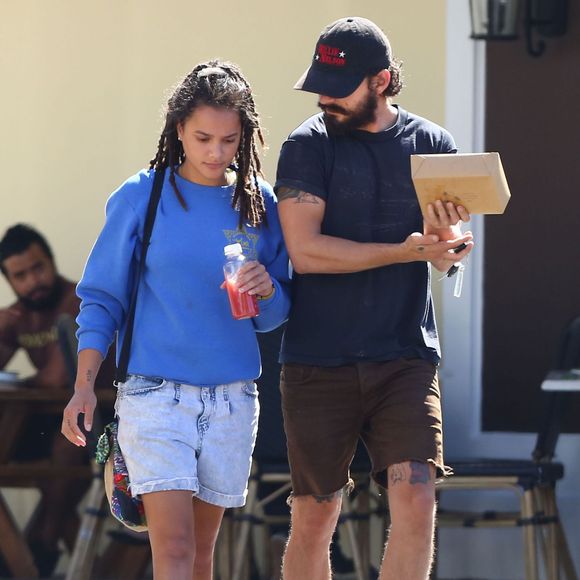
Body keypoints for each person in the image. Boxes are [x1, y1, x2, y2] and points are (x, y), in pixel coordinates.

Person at [61, 60, 291, 580]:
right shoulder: (142, 197)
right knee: (176, 552)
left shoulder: (260, 202)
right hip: (155, 396)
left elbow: (273, 318)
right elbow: (100, 300)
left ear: (245, 137)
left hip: (234, 399)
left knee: (203, 557)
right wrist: (83, 387)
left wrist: (269, 289)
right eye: (203, 137)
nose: (216, 153)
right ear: (178, 130)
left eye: (229, 140)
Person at [274, 17, 474, 580]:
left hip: (404, 356)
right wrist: (405, 251)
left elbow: (441, 254)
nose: (323, 98)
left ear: (382, 80)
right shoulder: (306, 146)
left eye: (338, 88)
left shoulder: (433, 146)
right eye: (318, 84)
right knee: (316, 513)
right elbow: (306, 251)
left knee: (417, 495)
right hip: (318, 361)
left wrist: (446, 249)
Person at [0, 223, 114, 576]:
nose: (33, 281)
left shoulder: (76, 302)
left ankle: (35, 556)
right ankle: (32, 555)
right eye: (20, 276)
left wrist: (21, 383)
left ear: (51, 262)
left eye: (38, 268)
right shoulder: (19, 316)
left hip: (102, 418)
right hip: (46, 420)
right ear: (9, 281)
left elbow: (55, 377)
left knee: (68, 449)